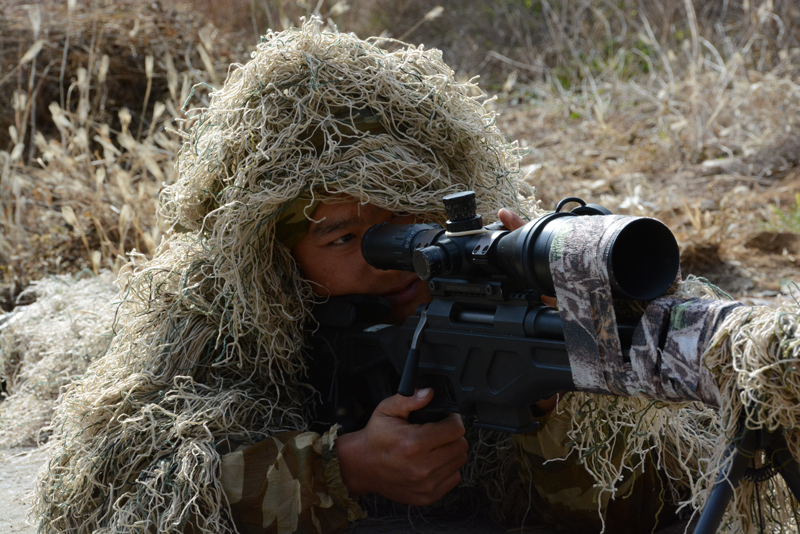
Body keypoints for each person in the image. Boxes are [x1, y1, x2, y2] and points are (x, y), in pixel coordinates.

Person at [33, 19, 672, 534]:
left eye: (414, 211)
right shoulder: (211, 316)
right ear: (270, 255)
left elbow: (647, 510)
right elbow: (110, 500)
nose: (393, 252)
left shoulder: (515, 290)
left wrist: (555, 402)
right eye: (343, 236)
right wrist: (345, 470)